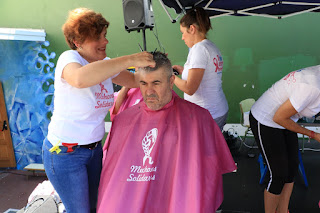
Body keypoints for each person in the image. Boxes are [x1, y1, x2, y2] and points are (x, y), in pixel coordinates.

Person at [42, 8, 155, 213]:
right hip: (65, 153)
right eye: (99, 37)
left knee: (97, 207)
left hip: (93, 151)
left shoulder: (104, 63)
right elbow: (79, 79)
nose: (105, 42)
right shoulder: (69, 59)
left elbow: (132, 80)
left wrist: (156, 69)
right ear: (78, 41)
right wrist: (130, 59)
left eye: (105, 36)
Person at [97, 52, 236, 213]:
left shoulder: (198, 118)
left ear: (171, 82)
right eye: (143, 83)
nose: (149, 92)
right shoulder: (123, 121)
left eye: (156, 83)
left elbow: (210, 173)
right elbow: (112, 181)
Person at [249, 66, 320, 213]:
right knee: (278, 174)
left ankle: (283, 210)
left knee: (292, 167)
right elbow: (279, 117)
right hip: (266, 119)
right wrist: (313, 135)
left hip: (286, 119)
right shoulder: (310, 86)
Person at [172, 7, 228, 130]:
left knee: (204, 149)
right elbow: (205, 74)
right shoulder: (211, 46)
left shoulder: (199, 49)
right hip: (216, 109)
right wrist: (183, 71)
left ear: (192, 29)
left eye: (183, 33)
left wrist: (170, 76)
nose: (182, 37)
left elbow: (189, 88)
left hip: (207, 114)